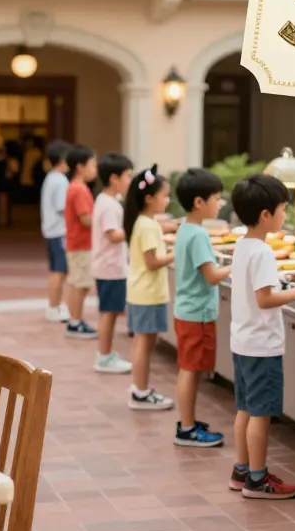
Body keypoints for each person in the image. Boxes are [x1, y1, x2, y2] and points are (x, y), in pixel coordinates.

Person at [228, 174, 295, 500]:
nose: (285, 216)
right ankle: (258, 478)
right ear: (265, 214)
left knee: (244, 410)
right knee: (260, 415)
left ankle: (241, 470)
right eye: (282, 209)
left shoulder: (243, 244)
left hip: (242, 340)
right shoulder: (263, 252)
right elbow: (265, 299)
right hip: (262, 345)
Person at [172, 168, 231, 447]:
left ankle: (189, 422)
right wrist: (238, 262)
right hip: (197, 314)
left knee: (190, 368)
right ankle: (186, 428)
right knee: (190, 369)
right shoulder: (198, 235)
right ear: (199, 202)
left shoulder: (186, 228)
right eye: (216, 198)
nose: (219, 203)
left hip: (188, 310)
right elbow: (212, 275)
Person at [124, 165, 176, 411]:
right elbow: (152, 262)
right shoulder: (148, 225)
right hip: (148, 294)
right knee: (145, 344)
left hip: (141, 292)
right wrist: (177, 252)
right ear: (149, 198)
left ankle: (139, 388)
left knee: (142, 343)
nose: (168, 200)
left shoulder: (145, 222)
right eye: (165, 196)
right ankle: (141, 392)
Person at [89, 152, 134, 374]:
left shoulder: (108, 201)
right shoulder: (108, 204)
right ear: (114, 178)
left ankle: (105, 353)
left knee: (112, 311)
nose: (130, 181)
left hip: (110, 267)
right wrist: (135, 228)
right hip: (109, 268)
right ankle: (103, 356)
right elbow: (113, 234)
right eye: (128, 176)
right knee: (109, 312)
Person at [63, 145, 99, 339]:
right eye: (92, 164)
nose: (95, 169)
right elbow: (85, 218)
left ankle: (75, 319)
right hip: (80, 244)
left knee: (79, 283)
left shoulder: (76, 188)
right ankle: (74, 322)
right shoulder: (79, 190)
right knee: (80, 284)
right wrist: (102, 222)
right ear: (80, 167)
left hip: (78, 243)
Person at [40, 140, 72, 323]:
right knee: (59, 271)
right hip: (60, 232)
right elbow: (63, 207)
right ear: (62, 160)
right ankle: (54, 307)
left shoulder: (51, 177)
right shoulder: (60, 181)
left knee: (56, 270)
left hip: (52, 231)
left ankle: (55, 305)